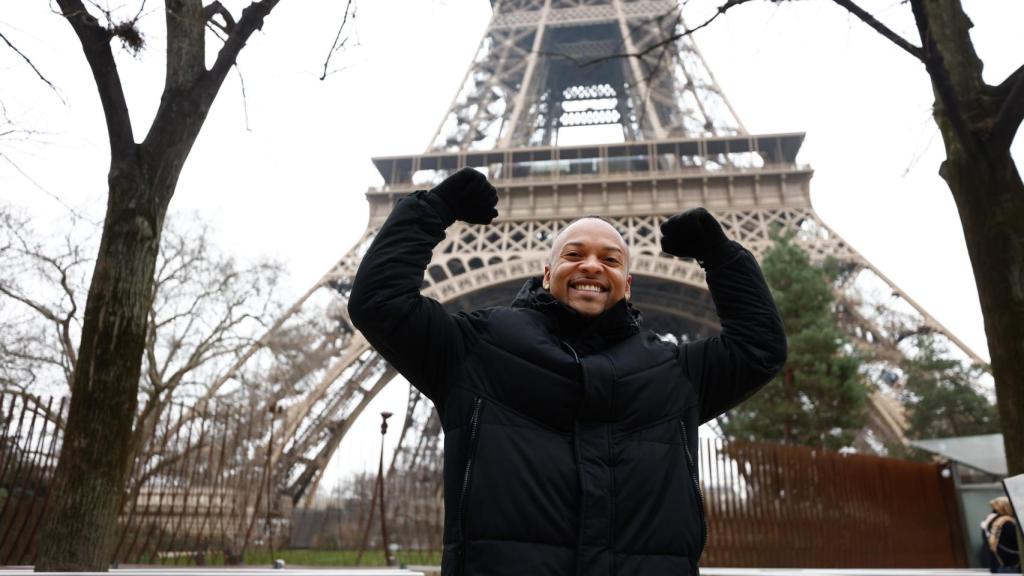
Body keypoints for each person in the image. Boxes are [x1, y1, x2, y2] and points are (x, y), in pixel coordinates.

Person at [348, 168, 787, 576]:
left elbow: (759, 349)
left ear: (627, 284)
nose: (592, 266)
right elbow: (380, 304)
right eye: (574, 254)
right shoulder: (477, 350)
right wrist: (432, 210)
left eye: (611, 260)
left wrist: (722, 257)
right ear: (547, 274)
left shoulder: (672, 372)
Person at [980, 496, 1021, 572]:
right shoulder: (1007, 523)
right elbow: (1016, 543)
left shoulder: (988, 522)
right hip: (1010, 566)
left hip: (995, 565)